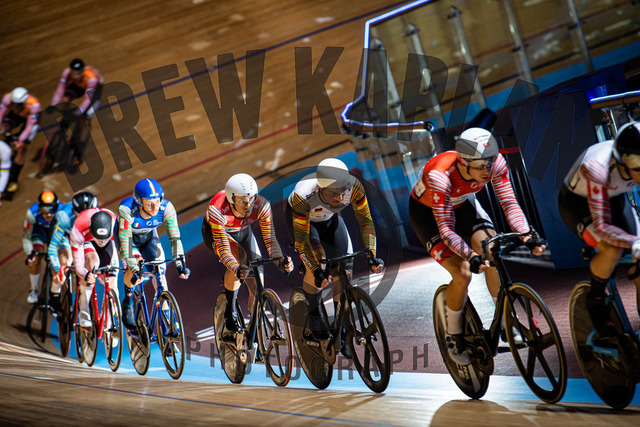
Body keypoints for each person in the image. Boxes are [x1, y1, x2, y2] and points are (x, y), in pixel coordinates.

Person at [409, 127, 545, 365]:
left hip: (462, 204)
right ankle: (453, 334)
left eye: (489, 163)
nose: (487, 170)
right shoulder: (440, 175)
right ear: (463, 162)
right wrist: (469, 255)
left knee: (492, 251)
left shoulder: (495, 162)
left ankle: (505, 321)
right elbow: (446, 230)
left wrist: (527, 236)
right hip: (428, 214)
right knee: (462, 273)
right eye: (481, 166)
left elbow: (509, 203)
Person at [286, 158, 384, 357]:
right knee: (319, 266)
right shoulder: (303, 196)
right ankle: (314, 315)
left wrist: (372, 255)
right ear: (321, 189)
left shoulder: (354, 188)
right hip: (306, 226)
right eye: (334, 194)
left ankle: (343, 329)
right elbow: (303, 241)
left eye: (343, 191)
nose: (340, 198)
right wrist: (315, 270)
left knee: (344, 270)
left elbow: (366, 222)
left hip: (330, 220)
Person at [558, 121, 640, 340]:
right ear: (621, 160)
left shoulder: (631, 164)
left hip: (614, 197)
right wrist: (633, 242)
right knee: (611, 249)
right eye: (637, 164)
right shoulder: (597, 168)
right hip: (578, 202)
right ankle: (595, 300)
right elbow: (602, 227)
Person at [201, 173, 292, 341]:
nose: (248, 204)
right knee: (240, 258)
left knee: (257, 284)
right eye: (242, 200)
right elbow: (224, 249)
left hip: (243, 232)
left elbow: (270, 240)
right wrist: (236, 268)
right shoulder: (217, 209)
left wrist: (280, 260)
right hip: (217, 234)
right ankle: (230, 313)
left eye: (251, 198)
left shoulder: (262, 205)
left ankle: (254, 329)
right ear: (231, 199)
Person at [118, 178, 190, 329]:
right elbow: (125, 244)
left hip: (149, 237)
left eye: (157, 201)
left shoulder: (167, 208)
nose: (155, 207)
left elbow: (175, 238)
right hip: (129, 240)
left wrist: (180, 263)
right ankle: (128, 302)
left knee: (160, 275)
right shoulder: (127, 210)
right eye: (149, 204)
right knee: (136, 266)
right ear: (139, 202)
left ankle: (168, 325)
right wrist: (134, 268)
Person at [47, 192, 98, 311]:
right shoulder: (65, 216)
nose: (85, 218)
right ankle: (54, 292)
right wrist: (58, 270)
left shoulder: (97, 214)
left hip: (81, 236)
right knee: (66, 260)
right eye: (81, 215)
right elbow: (53, 247)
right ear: (74, 211)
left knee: (91, 260)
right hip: (65, 235)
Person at [70, 208, 118, 328]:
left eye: (104, 239)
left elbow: (126, 254)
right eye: (99, 239)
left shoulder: (118, 227)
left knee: (112, 280)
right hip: (88, 242)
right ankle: (84, 312)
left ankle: (108, 319)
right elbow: (78, 265)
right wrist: (86, 275)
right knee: (91, 265)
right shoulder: (78, 230)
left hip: (109, 242)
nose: (101, 242)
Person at [23, 190, 64, 303]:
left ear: (57, 207)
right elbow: (27, 237)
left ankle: (55, 291)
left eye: (52, 210)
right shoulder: (32, 213)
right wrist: (30, 254)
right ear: (39, 208)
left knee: (58, 260)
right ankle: (33, 289)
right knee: (36, 257)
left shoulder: (62, 211)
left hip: (55, 231)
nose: (49, 214)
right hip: (39, 231)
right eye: (45, 210)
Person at [0, 87, 41, 194]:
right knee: (4, 127)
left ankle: (14, 180)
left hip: (30, 120)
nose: (14, 106)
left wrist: (19, 140)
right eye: (13, 104)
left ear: (24, 102)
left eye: (17, 105)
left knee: (21, 148)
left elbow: (28, 127)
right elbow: (1, 114)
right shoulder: (7, 98)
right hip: (16, 115)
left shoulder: (34, 105)